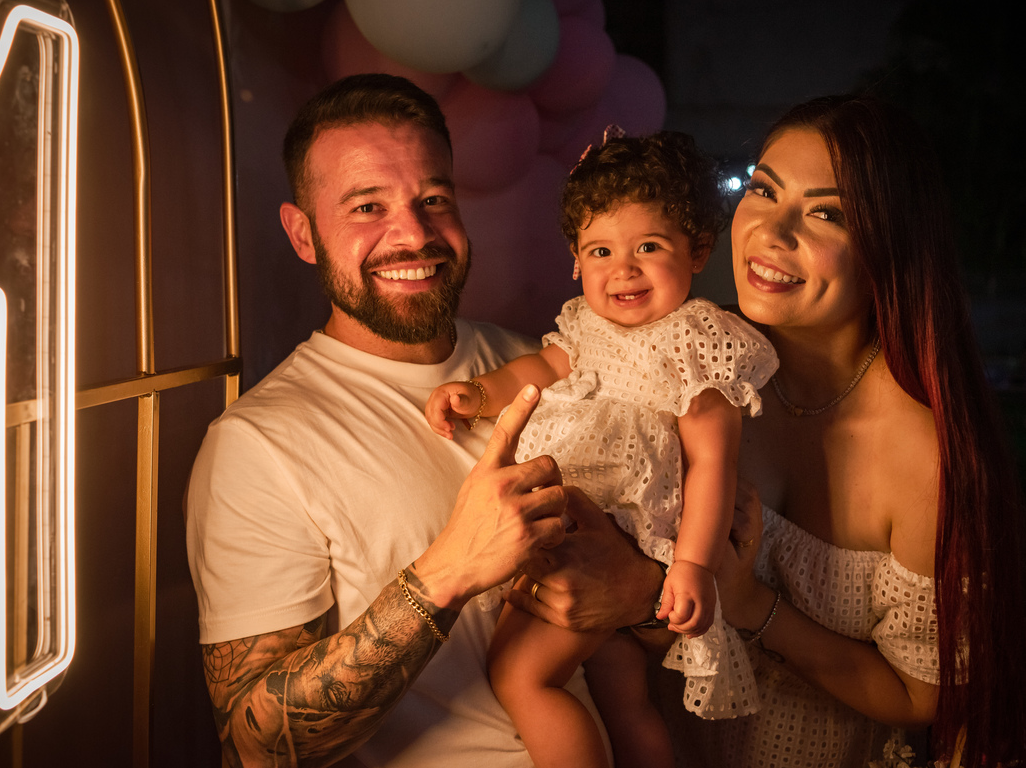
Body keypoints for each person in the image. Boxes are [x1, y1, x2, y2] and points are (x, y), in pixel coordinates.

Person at [184, 73, 666, 768]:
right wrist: (447, 572)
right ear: (303, 233)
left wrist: (639, 593)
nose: (412, 233)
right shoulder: (259, 445)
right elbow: (256, 740)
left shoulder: (538, 361)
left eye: (433, 198)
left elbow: (677, 603)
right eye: (367, 206)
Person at [654, 95, 1026, 767]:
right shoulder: (693, 356)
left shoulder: (925, 457)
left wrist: (751, 605)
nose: (772, 231)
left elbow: (923, 697)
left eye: (826, 212)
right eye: (763, 190)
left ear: (888, 247)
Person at [425, 130, 779, 768]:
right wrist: (477, 394)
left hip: (614, 533)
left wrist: (693, 566)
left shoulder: (697, 342)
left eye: (649, 246)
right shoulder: (584, 329)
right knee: (623, 697)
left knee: (520, 677)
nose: (624, 269)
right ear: (575, 259)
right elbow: (536, 366)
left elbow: (712, 465)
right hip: (579, 525)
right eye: (601, 250)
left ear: (697, 250)